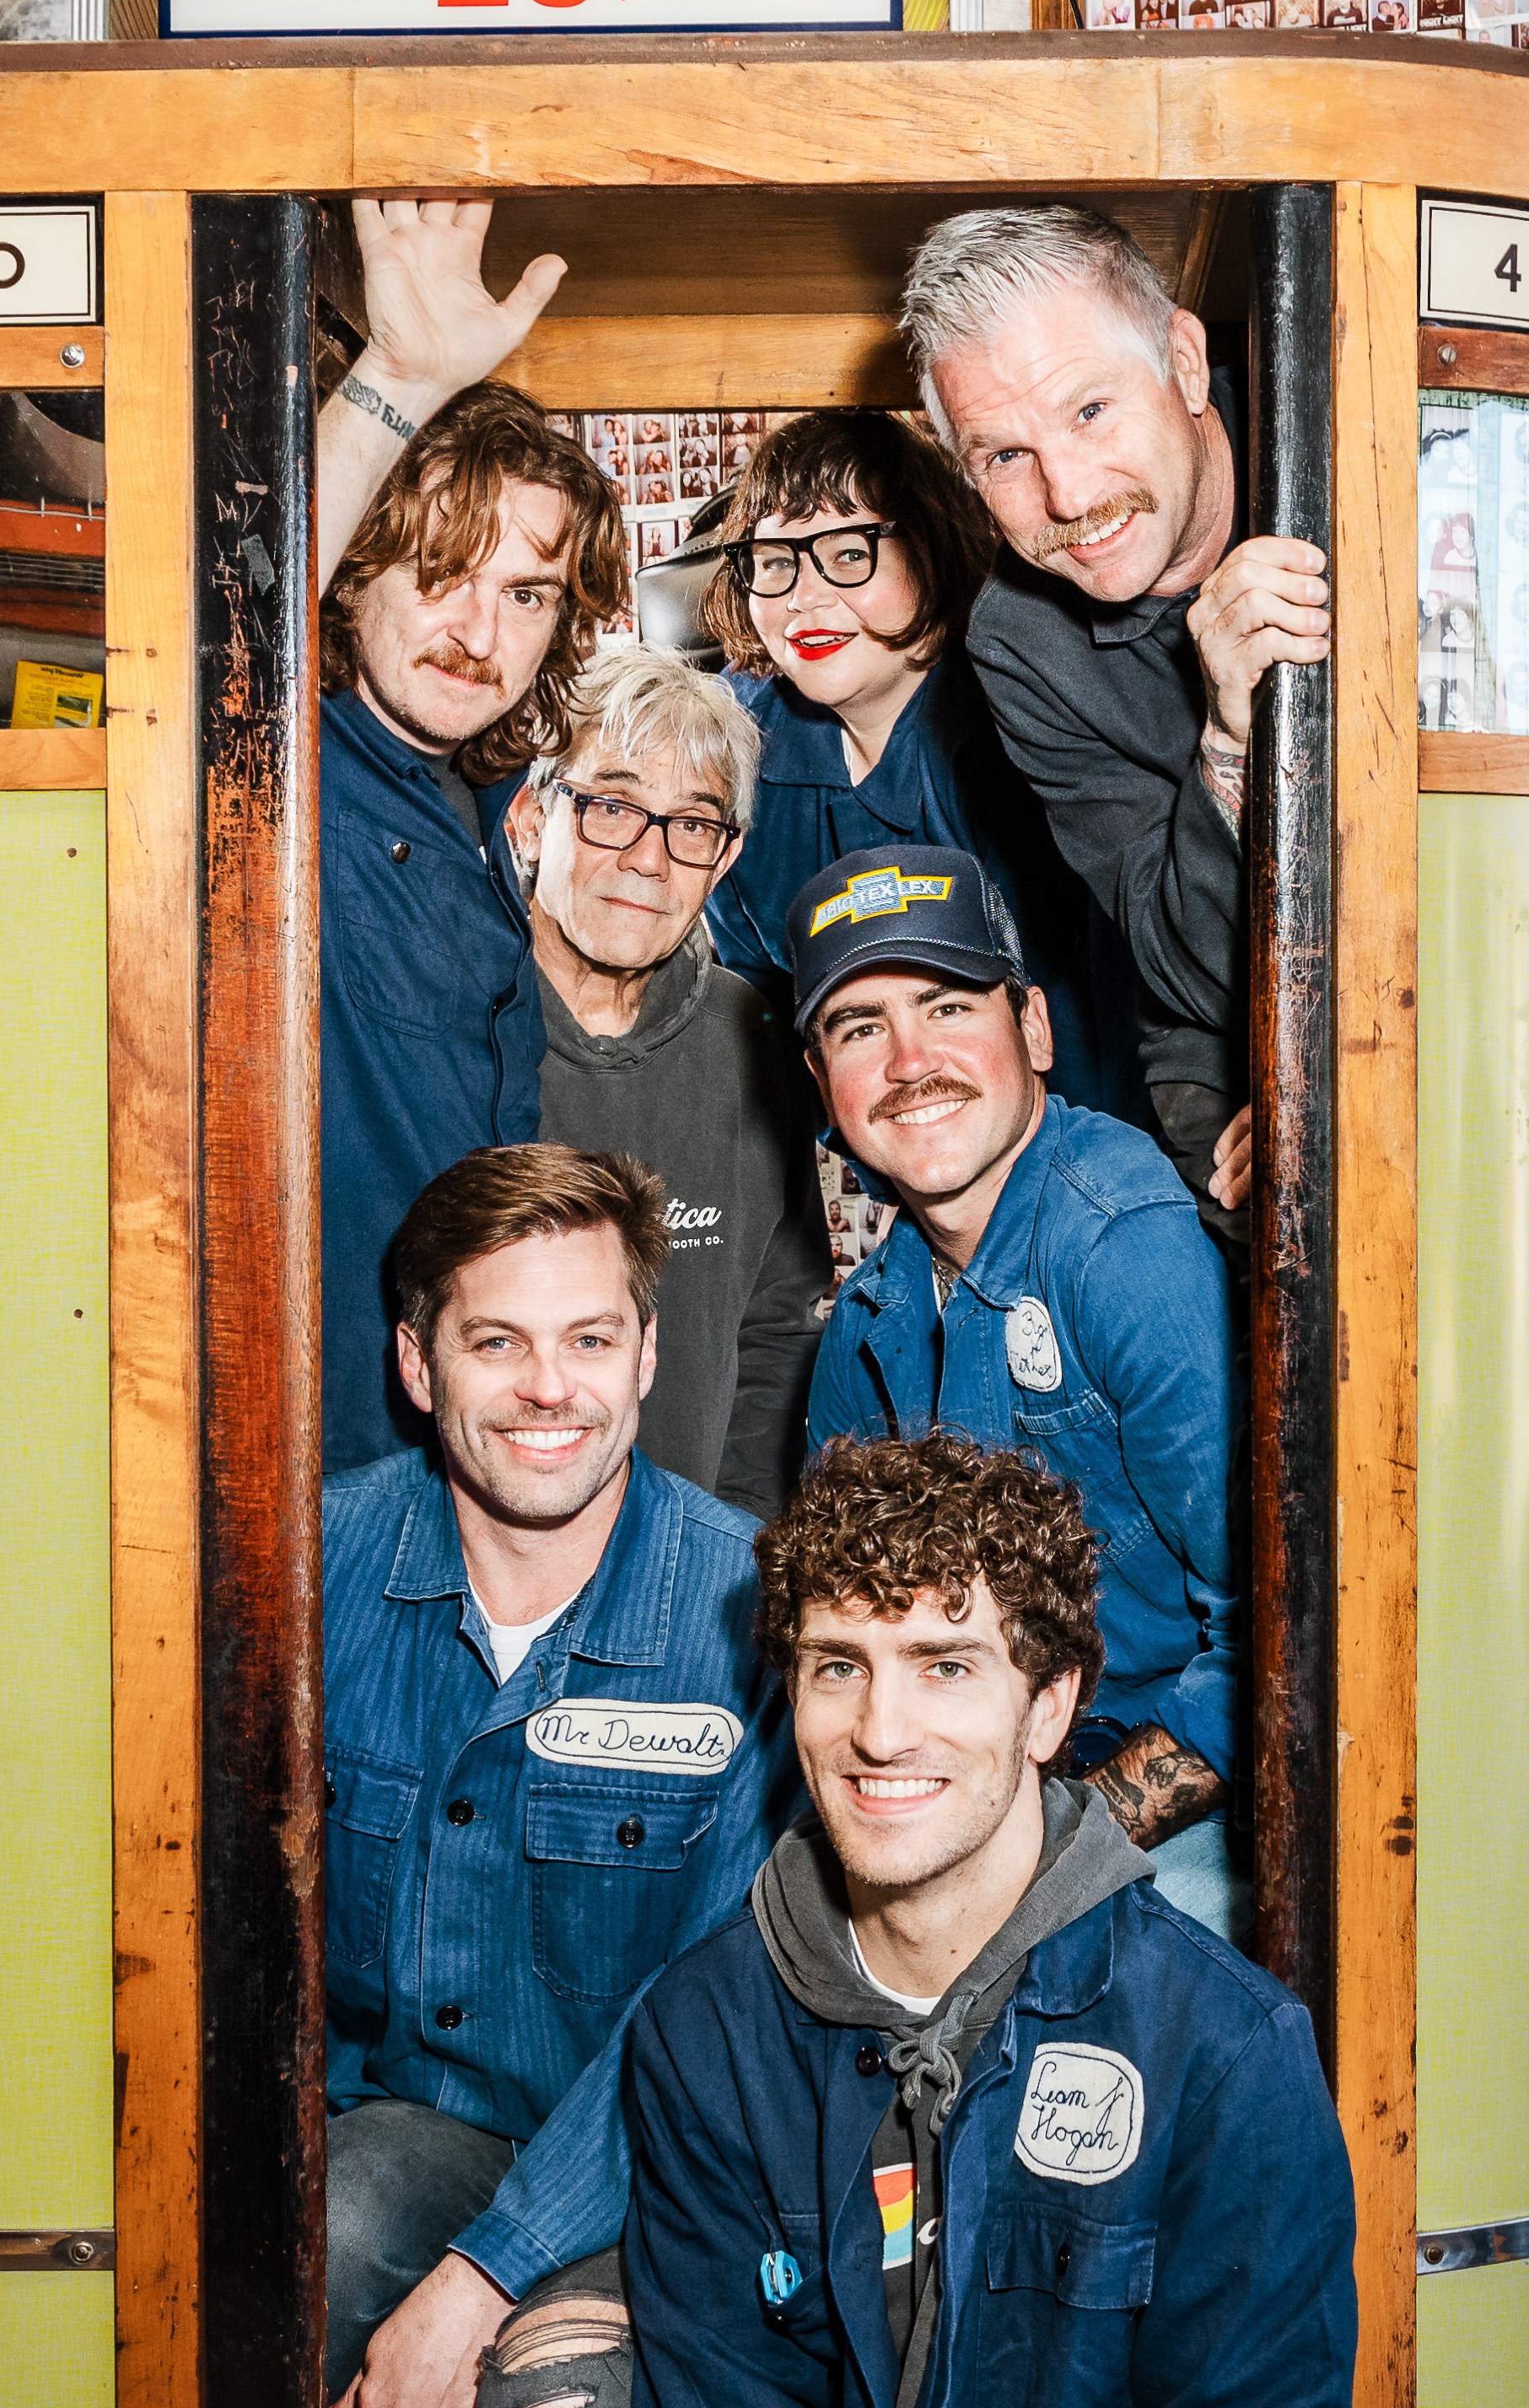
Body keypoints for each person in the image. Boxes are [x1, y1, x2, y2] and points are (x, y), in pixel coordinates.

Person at [618, 1431, 1357, 2408]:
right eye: (834, 1664)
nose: (877, 1728)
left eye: (943, 1664)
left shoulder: (1224, 2045)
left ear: (1049, 1703)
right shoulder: (703, 2027)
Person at [324, 1144, 799, 2408]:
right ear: (414, 1361)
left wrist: (483, 2276)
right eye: (496, 1339)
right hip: (420, 2137)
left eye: (591, 1337)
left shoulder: (752, 1615)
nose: (550, 1387)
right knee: (290, 2231)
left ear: (649, 1353)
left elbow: (706, 2017)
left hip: (670, 2175)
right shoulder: (300, 1569)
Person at [791, 843, 1245, 1937]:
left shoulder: (1123, 1248)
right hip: (980, 1781)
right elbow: (842, 1642)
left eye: (946, 1006)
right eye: (859, 1028)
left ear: (1032, 1029)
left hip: (1192, 1792)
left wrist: (1043, 1852)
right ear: (821, 1086)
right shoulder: (867, 1322)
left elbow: (1282, 1634)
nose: (909, 1059)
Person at [902, 204, 1336, 1231]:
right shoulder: (1017, 640)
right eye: (1002, 456)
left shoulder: (1347, 441)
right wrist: (1230, 738)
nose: (1067, 493)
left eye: (1089, 409)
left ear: (1184, 364)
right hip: (1229, 1049)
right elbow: (1180, 961)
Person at [311, 197, 629, 1472]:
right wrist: (394, 382)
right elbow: (216, 611)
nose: (476, 631)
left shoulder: (476, 816)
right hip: (321, 1439)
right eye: (439, 569)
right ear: (354, 571)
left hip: (445, 1439)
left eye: (525, 592)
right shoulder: (287, 766)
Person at [699, 407, 1144, 1123]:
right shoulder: (737, 743)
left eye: (848, 553)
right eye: (775, 563)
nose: (803, 599)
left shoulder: (1026, 724)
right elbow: (761, 1009)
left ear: (934, 546)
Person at [509, 647, 833, 1520]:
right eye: (611, 805)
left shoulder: (754, 1039)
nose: (649, 859)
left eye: (691, 824)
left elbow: (777, 1327)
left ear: (721, 859)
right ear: (530, 819)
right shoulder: (454, 1027)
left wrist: (731, 1554)